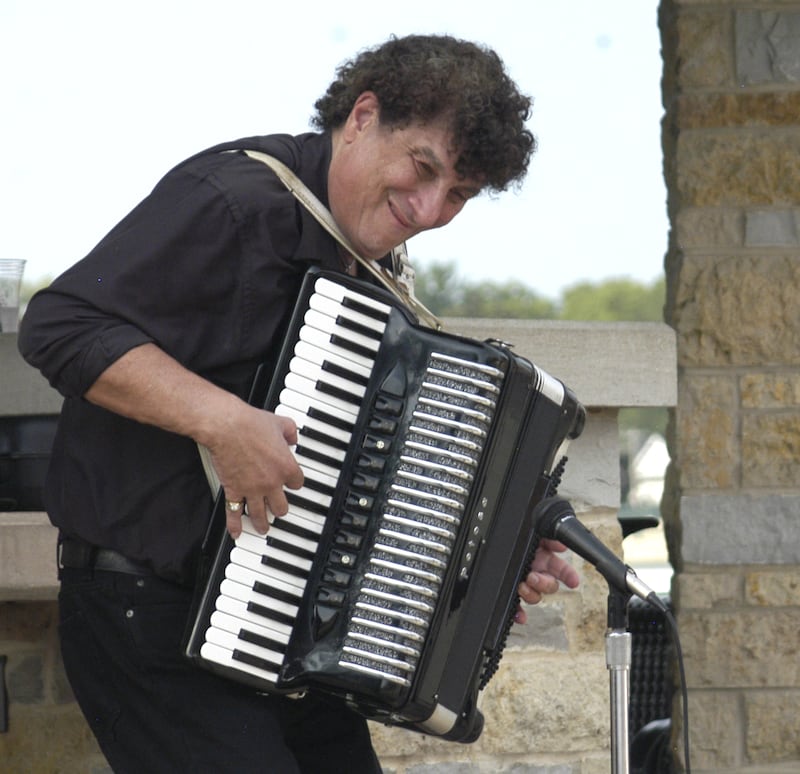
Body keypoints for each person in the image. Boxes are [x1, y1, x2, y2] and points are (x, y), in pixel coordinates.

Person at [19, 34, 580, 773]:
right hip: (148, 615)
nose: (427, 208)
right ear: (362, 116)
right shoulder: (234, 201)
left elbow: (361, 477)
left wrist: (497, 554)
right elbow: (60, 326)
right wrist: (222, 423)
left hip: (274, 632)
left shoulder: (364, 260)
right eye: (424, 168)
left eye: (458, 196)